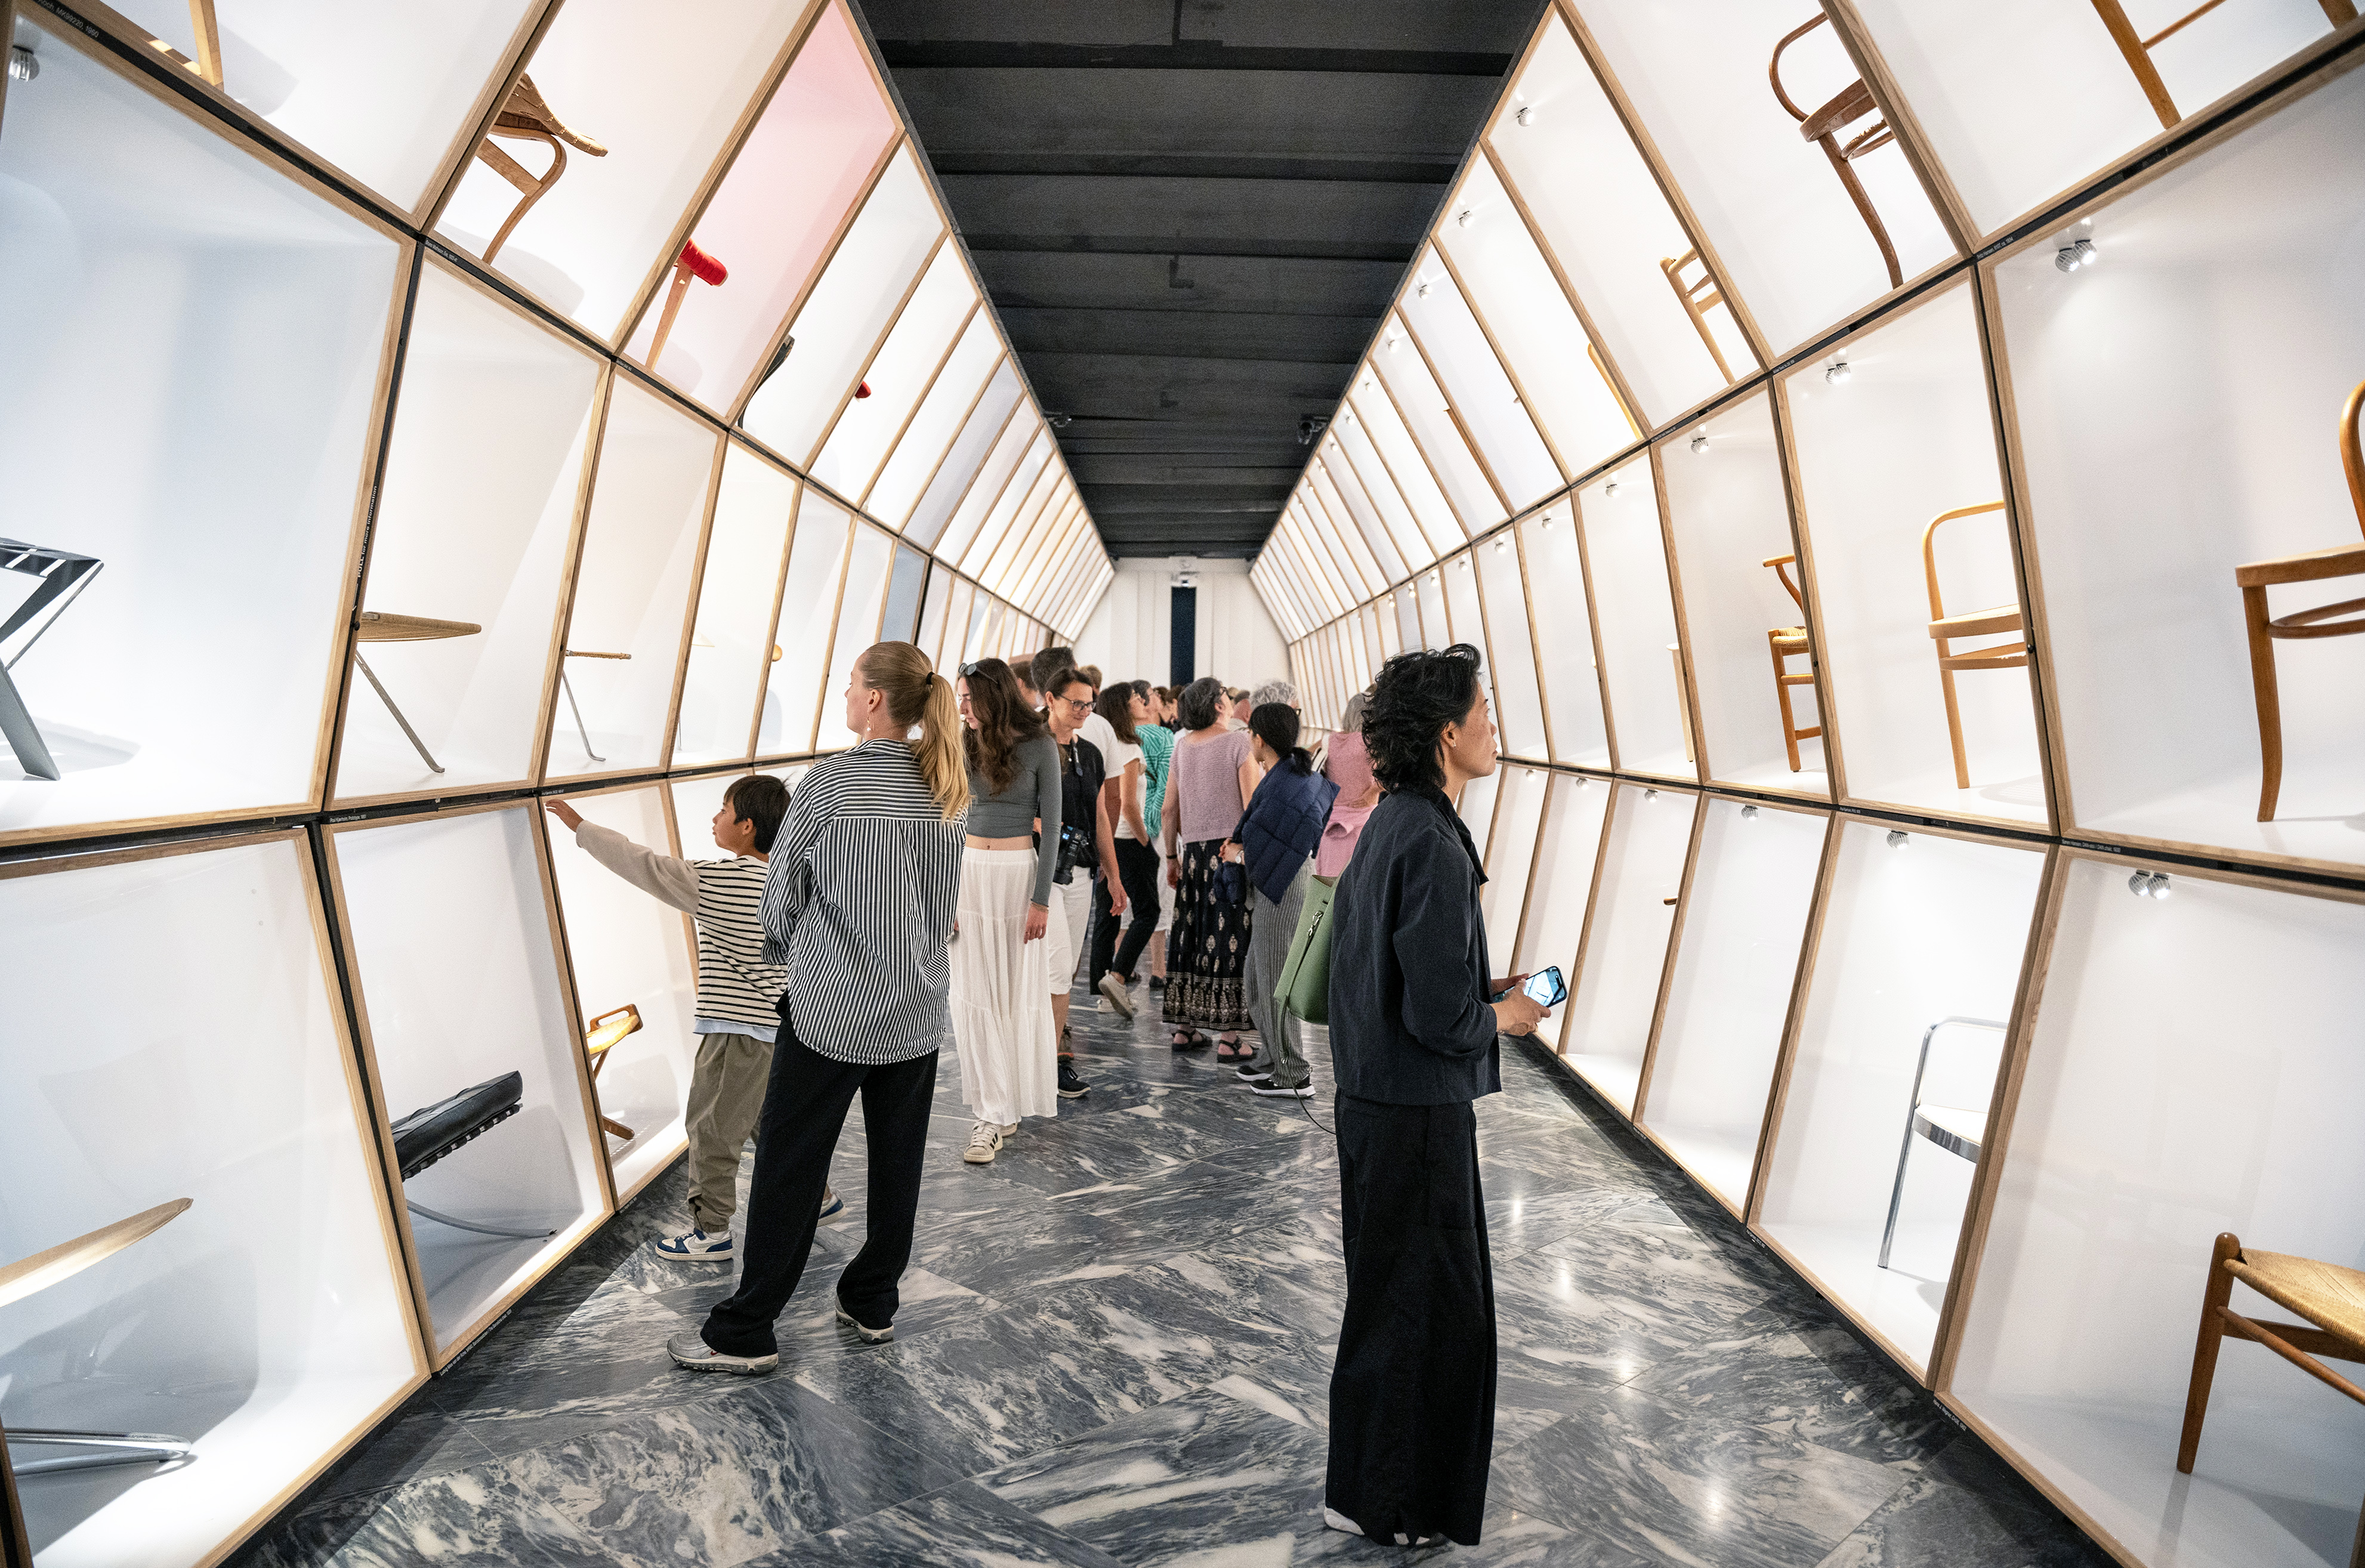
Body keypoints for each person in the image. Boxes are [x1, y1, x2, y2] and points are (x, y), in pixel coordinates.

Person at [666, 641, 969, 1375]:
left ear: (873, 700)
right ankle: (872, 1301)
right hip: (916, 1007)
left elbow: (780, 897)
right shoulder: (943, 784)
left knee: (789, 1166)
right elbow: (942, 908)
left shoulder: (830, 782)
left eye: (850, 685)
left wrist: (787, 952)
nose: (845, 697)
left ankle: (746, 1331)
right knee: (898, 1164)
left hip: (832, 1007)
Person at [1321, 644, 1550, 1546]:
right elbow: (1438, 1017)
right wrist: (1506, 1016)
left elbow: (1385, 975)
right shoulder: (1432, 841)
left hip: (1375, 1104)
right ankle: (1396, 1504)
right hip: (1415, 1115)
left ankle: (1364, 1490)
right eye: (1483, 713)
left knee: (1387, 1301)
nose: (1494, 727)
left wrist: (1483, 989)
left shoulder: (1393, 824)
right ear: (1448, 735)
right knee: (1425, 1312)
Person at [545, 776, 822, 1260]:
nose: (715, 818)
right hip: (784, 1029)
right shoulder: (793, 880)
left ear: (748, 826)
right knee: (768, 1124)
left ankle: (711, 1233)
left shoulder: (723, 881)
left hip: (736, 1032)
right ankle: (820, 1197)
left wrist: (580, 827)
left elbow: (643, 865)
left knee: (711, 1130)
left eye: (724, 810)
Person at [949, 658, 1061, 1166]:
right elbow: (947, 817)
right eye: (959, 698)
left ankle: (1004, 1103)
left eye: (969, 698)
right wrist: (945, 893)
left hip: (1018, 877)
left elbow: (1052, 828)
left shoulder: (1040, 745)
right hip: (969, 876)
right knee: (975, 994)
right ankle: (991, 1114)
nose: (963, 708)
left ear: (994, 697)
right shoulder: (963, 743)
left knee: (1012, 995)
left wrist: (1040, 899)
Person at [1224, 704, 1336, 1100]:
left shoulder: (1286, 782)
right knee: (1257, 974)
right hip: (1283, 879)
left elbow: (1269, 838)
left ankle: (1294, 1072)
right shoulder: (1292, 775)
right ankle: (1272, 1056)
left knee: (1275, 978)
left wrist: (1237, 852)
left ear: (1259, 738)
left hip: (1284, 884)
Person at [1160, 675, 1262, 1057]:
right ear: (1219, 705)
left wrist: (1172, 857)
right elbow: (1252, 805)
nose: (1231, 699)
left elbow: (1168, 809)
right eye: (1226, 695)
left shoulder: (1182, 747)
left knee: (1191, 932)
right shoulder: (1239, 742)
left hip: (1192, 854)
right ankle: (1230, 1038)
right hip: (1230, 852)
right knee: (1230, 934)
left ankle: (1184, 1029)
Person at [1041, 665, 1117, 1091]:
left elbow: (1100, 816)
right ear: (1050, 699)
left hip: (1081, 872)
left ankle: (1049, 1054)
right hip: (1041, 872)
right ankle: (1048, 1062)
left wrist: (1114, 875)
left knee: (1066, 968)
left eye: (1090, 704)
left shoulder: (1089, 754)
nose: (1085, 711)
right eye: (1077, 703)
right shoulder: (1030, 747)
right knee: (1054, 968)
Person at [1088, 684, 1161, 1016]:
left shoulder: (1104, 744)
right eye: (1135, 697)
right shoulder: (1130, 748)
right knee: (1148, 912)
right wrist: (1146, 843)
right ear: (1123, 706)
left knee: (1107, 916)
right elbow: (1129, 804)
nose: (1141, 701)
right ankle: (1117, 977)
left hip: (1107, 839)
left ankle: (1102, 994)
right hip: (1129, 840)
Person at [1133, 682, 1177, 993]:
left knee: (1126, 898)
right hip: (1156, 827)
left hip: (1125, 826)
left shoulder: (1120, 737)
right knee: (1159, 896)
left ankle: (1121, 967)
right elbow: (1166, 786)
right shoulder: (1163, 737)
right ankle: (1159, 969)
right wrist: (1156, 820)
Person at [1317, 692, 1380, 878]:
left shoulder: (1329, 741)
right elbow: (1396, 775)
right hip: (1363, 824)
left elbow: (1305, 759)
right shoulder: (1371, 744)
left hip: (1330, 826)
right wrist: (1374, 790)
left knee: (1327, 883)